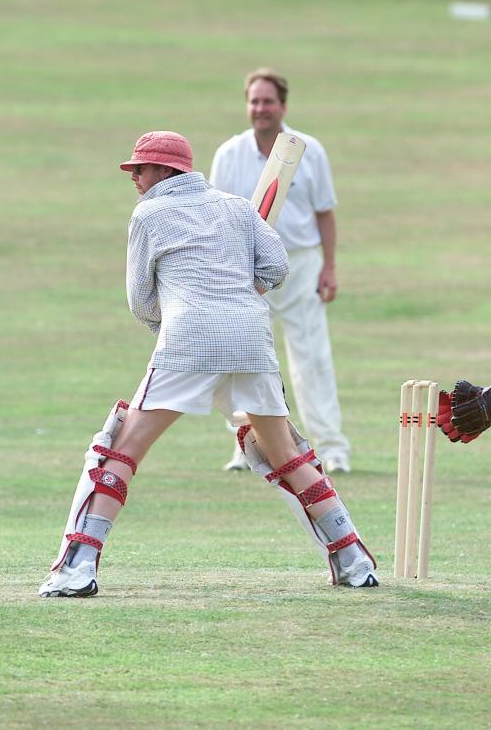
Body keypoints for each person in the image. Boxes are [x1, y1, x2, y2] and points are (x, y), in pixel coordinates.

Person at [38, 131, 378, 598]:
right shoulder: (236, 207)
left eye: (141, 167)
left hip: (188, 339)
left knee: (119, 448)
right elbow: (277, 265)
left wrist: (181, 317)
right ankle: (353, 559)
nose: (135, 176)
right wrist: (237, 297)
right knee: (286, 453)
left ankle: (76, 568)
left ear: (166, 171)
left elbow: (140, 300)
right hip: (250, 337)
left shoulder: (149, 213)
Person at [210, 68, 351, 475]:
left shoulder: (310, 150)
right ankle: (247, 446)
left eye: (268, 101)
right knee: (244, 359)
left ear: (283, 106)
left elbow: (324, 212)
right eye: (254, 101)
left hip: (302, 263)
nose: (260, 109)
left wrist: (330, 266)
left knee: (312, 358)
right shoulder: (229, 154)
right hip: (247, 268)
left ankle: (332, 447)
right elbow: (219, 218)